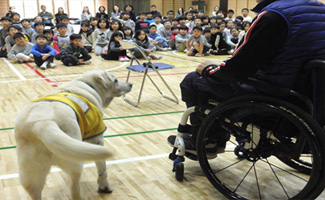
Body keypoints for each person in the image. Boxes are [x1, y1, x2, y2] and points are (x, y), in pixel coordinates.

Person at [167, 0, 325, 155]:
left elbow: (238, 69)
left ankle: (207, 139)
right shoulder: (319, 9)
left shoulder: (274, 17)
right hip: (311, 98)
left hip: (271, 95)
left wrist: (209, 70)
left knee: (192, 80)